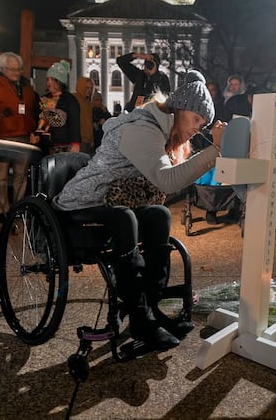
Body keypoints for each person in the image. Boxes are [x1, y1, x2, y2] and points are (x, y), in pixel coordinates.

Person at [53, 76, 226, 352]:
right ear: (179, 109)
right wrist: (216, 150)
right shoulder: (143, 128)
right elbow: (166, 181)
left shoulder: (162, 131)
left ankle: (151, 309)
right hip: (82, 202)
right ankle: (139, 317)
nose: (197, 128)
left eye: (202, 124)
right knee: (125, 218)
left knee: (159, 215)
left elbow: (166, 184)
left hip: (112, 201)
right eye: (196, 119)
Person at [0, 52, 39, 223]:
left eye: (19, 69)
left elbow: (31, 111)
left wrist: (32, 131)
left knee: (21, 175)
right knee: (1, 176)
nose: (17, 72)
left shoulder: (26, 85)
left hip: (23, 135)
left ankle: (17, 207)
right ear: (3, 68)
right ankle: (2, 209)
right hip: (0, 137)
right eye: (13, 69)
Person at [35, 60, 80, 154]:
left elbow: (74, 123)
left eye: (52, 79)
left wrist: (76, 143)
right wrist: (36, 135)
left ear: (60, 81)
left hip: (64, 145)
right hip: (45, 145)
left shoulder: (69, 100)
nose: (49, 82)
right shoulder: (44, 99)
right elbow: (38, 119)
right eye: (48, 79)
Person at [73, 76, 95, 154]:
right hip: (78, 141)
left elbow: (89, 122)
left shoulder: (88, 103)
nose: (89, 91)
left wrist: (91, 139)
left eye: (91, 88)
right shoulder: (74, 99)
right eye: (87, 88)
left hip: (87, 141)